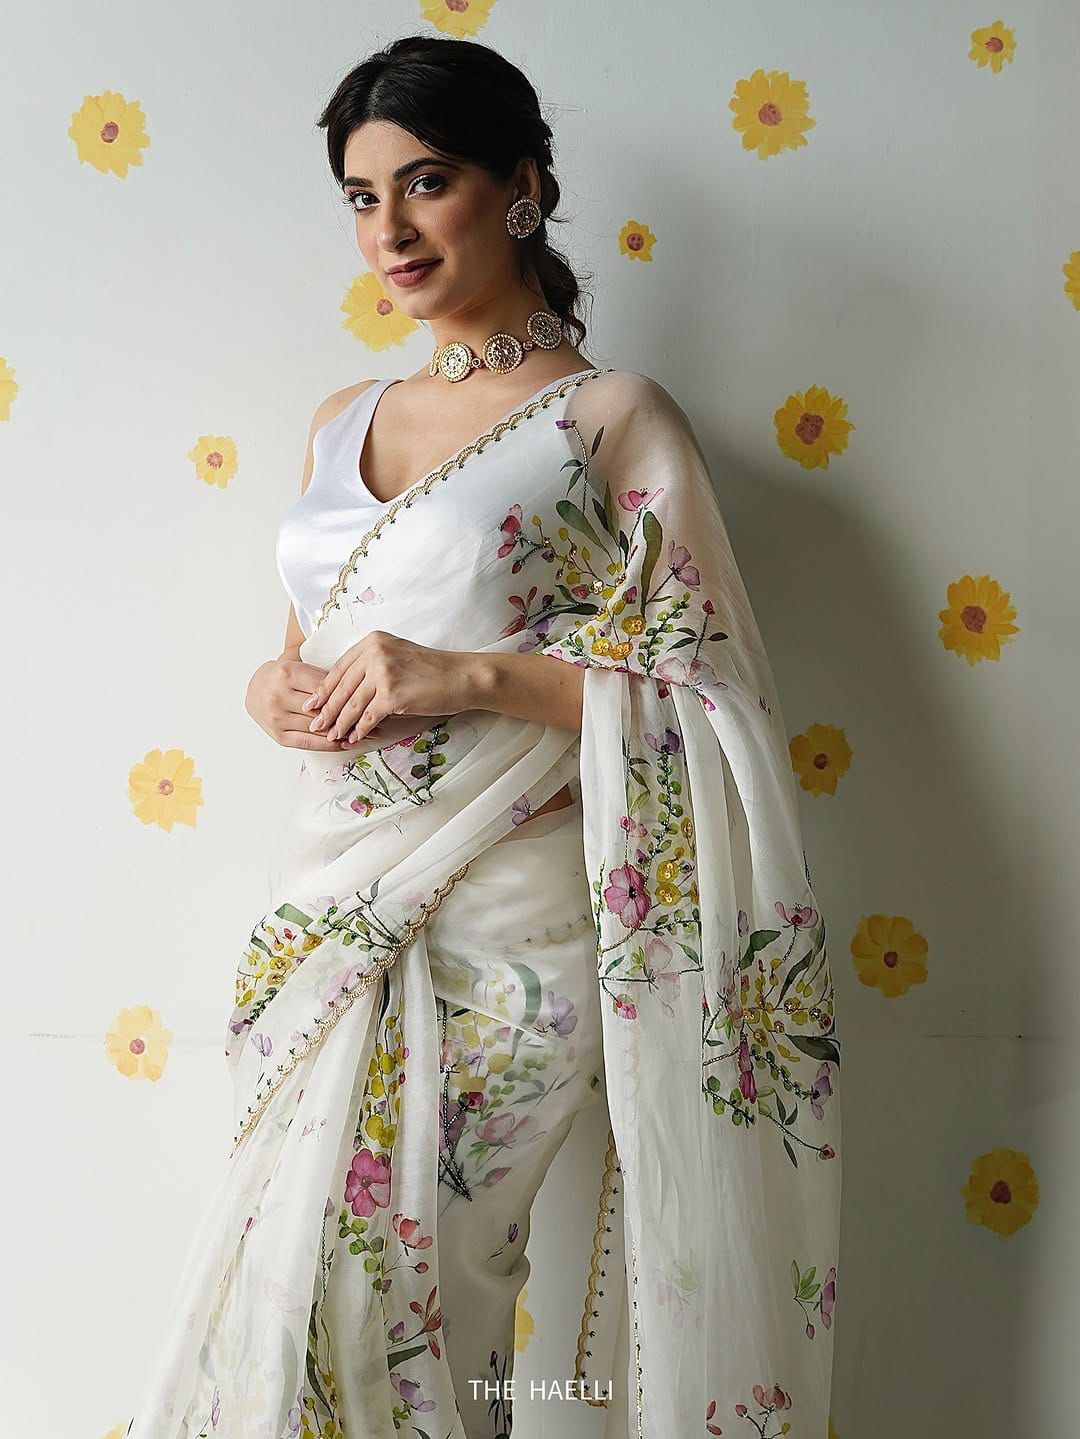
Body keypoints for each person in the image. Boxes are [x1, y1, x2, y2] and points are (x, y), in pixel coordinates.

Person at [126, 33, 843, 1439]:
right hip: (329, 902)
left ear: (522, 187)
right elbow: (312, 646)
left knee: (412, 1300)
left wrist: (464, 675)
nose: (387, 231)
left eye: (426, 181)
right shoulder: (343, 419)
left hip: (512, 925)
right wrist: (271, 692)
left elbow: (708, 692)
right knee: (286, 1294)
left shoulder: (609, 420)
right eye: (360, 196)